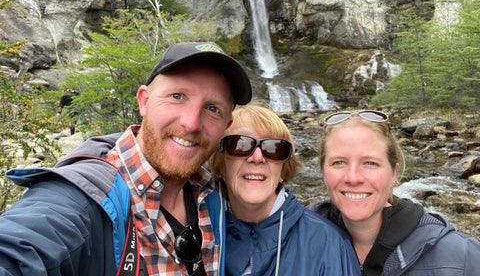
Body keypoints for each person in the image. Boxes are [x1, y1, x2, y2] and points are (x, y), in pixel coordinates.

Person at [0, 42, 252, 276]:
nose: (191, 123)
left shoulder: (216, 189)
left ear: (226, 126)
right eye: (177, 96)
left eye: (212, 109)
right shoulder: (82, 197)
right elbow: (22, 247)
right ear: (144, 101)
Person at [308, 110, 480, 275]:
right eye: (338, 162)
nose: (353, 178)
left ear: (394, 174)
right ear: (323, 172)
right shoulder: (294, 244)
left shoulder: (462, 258)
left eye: (370, 163)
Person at [209, 104, 361, 276]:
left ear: (284, 169)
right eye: (240, 145)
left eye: (274, 149)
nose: (257, 157)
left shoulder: (329, 244)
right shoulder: (201, 231)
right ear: (220, 165)